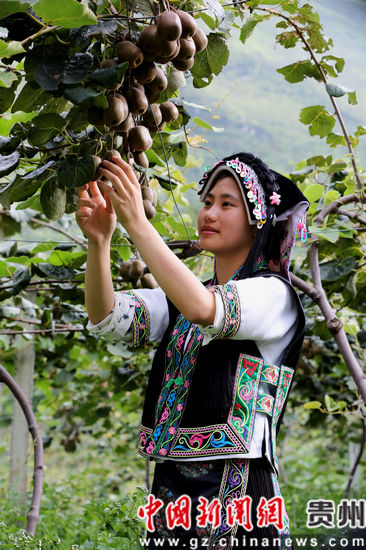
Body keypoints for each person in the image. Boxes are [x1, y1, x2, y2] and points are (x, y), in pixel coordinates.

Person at [76, 152, 309, 549]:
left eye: (226, 204)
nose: (209, 213)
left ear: (258, 221)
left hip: (237, 487)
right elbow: (108, 318)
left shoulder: (274, 295)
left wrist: (137, 222)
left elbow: (206, 310)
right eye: (207, 202)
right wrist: (99, 242)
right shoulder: (182, 301)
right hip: (171, 485)